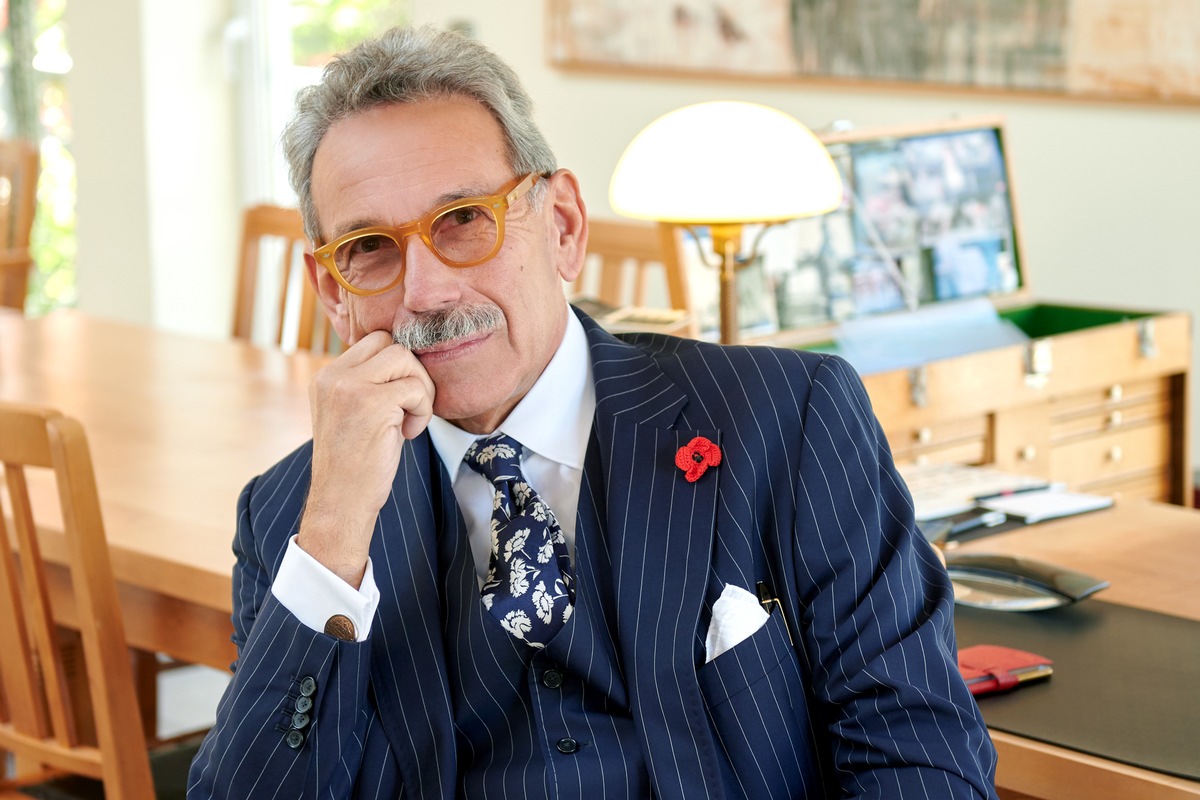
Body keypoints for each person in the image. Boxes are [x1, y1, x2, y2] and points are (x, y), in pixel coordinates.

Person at [188, 25, 998, 799]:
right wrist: (334, 532)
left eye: (464, 220)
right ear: (333, 293)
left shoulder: (789, 419)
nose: (426, 292)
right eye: (369, 248)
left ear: (564, 227)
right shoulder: (294, 521)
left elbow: (921, 755)